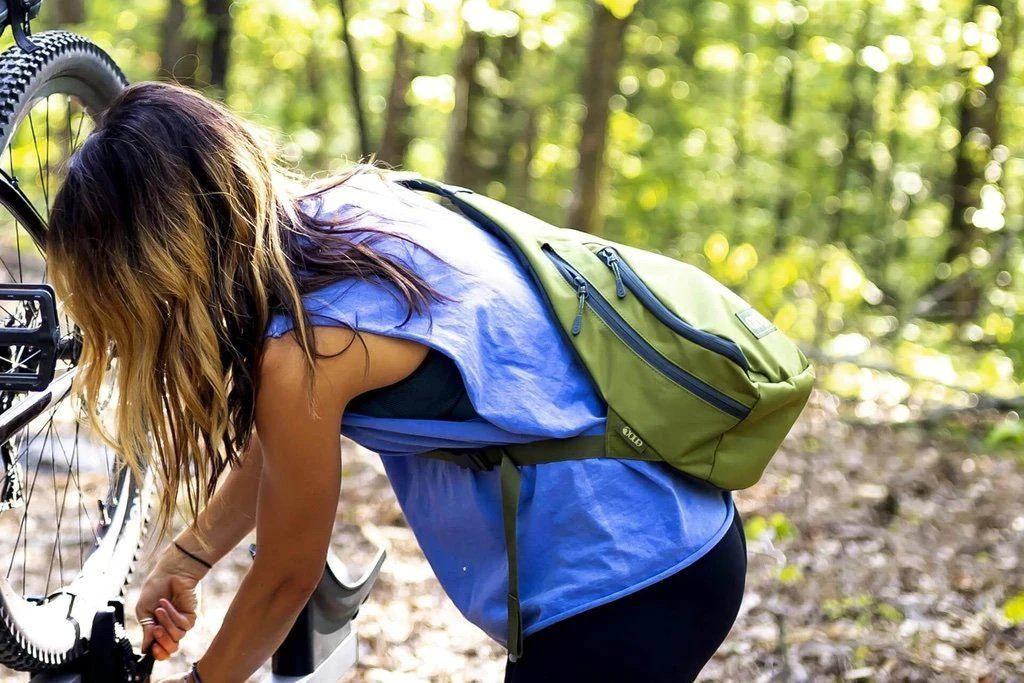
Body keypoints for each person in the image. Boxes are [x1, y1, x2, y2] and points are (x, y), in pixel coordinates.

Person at [47, 81, 747, 683]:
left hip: (625, 581)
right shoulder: (345, 213)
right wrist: (190, 556)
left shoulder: (305, 355)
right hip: (675, 535)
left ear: (156, 268)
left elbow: (288, 575)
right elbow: (286, 443)